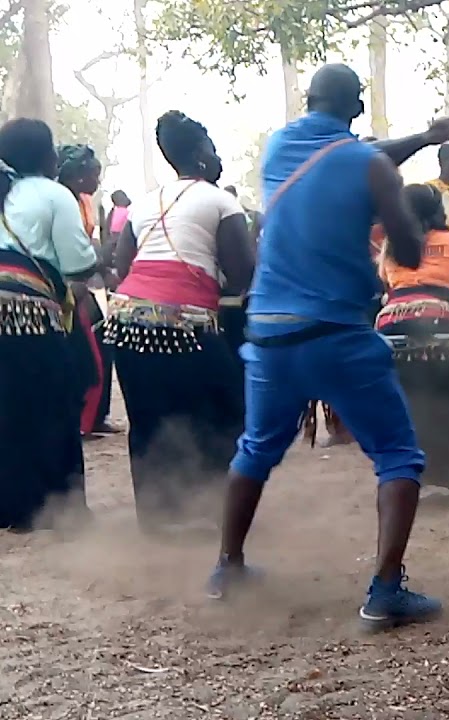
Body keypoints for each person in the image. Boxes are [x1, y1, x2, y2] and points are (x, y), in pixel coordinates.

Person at [206, 63, 449, 631]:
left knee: (256, 448)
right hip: (337, 333)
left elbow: (360, 157)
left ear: (309, 100)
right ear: (357, 106)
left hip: (270, 330)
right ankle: (384, 592)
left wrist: (424, 138)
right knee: (398, 455)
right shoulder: (369, 167)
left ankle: (227, 568)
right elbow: (408, 247)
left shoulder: (278, 149)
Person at [107, 111, 256, 532]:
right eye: (211, 147)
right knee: (226, 408)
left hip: (125, 319)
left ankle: (157, 519)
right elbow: (242, 272)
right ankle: (212, 511)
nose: (217, 155)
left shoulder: (143, 202)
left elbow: (123, 267)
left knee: (149, 415)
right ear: (199, 155)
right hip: (184, 321)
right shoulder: (220, 200)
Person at [0, 119, 100, 531]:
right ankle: (60, 509)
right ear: (47, 155)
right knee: (55, 403)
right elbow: (79, 263)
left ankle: (12, 507)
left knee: (8, 407)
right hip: (30, 314)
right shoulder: (55, 194)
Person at [377, 183, 449, 495]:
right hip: (440, 323)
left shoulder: (392, 246)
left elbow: (390, 287)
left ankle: (412, 478)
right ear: (438, 209)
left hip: (391, 327)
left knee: (410, 403)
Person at [57, 144, 119, 437]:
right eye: (95, 174)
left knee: (101, 347)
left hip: (86, 284)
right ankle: (83, 423)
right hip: (69, 286)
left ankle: (95, 418)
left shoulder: (85, 202)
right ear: (79, 176)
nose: (98, 181)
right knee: (89, 355)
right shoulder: (61, 200)